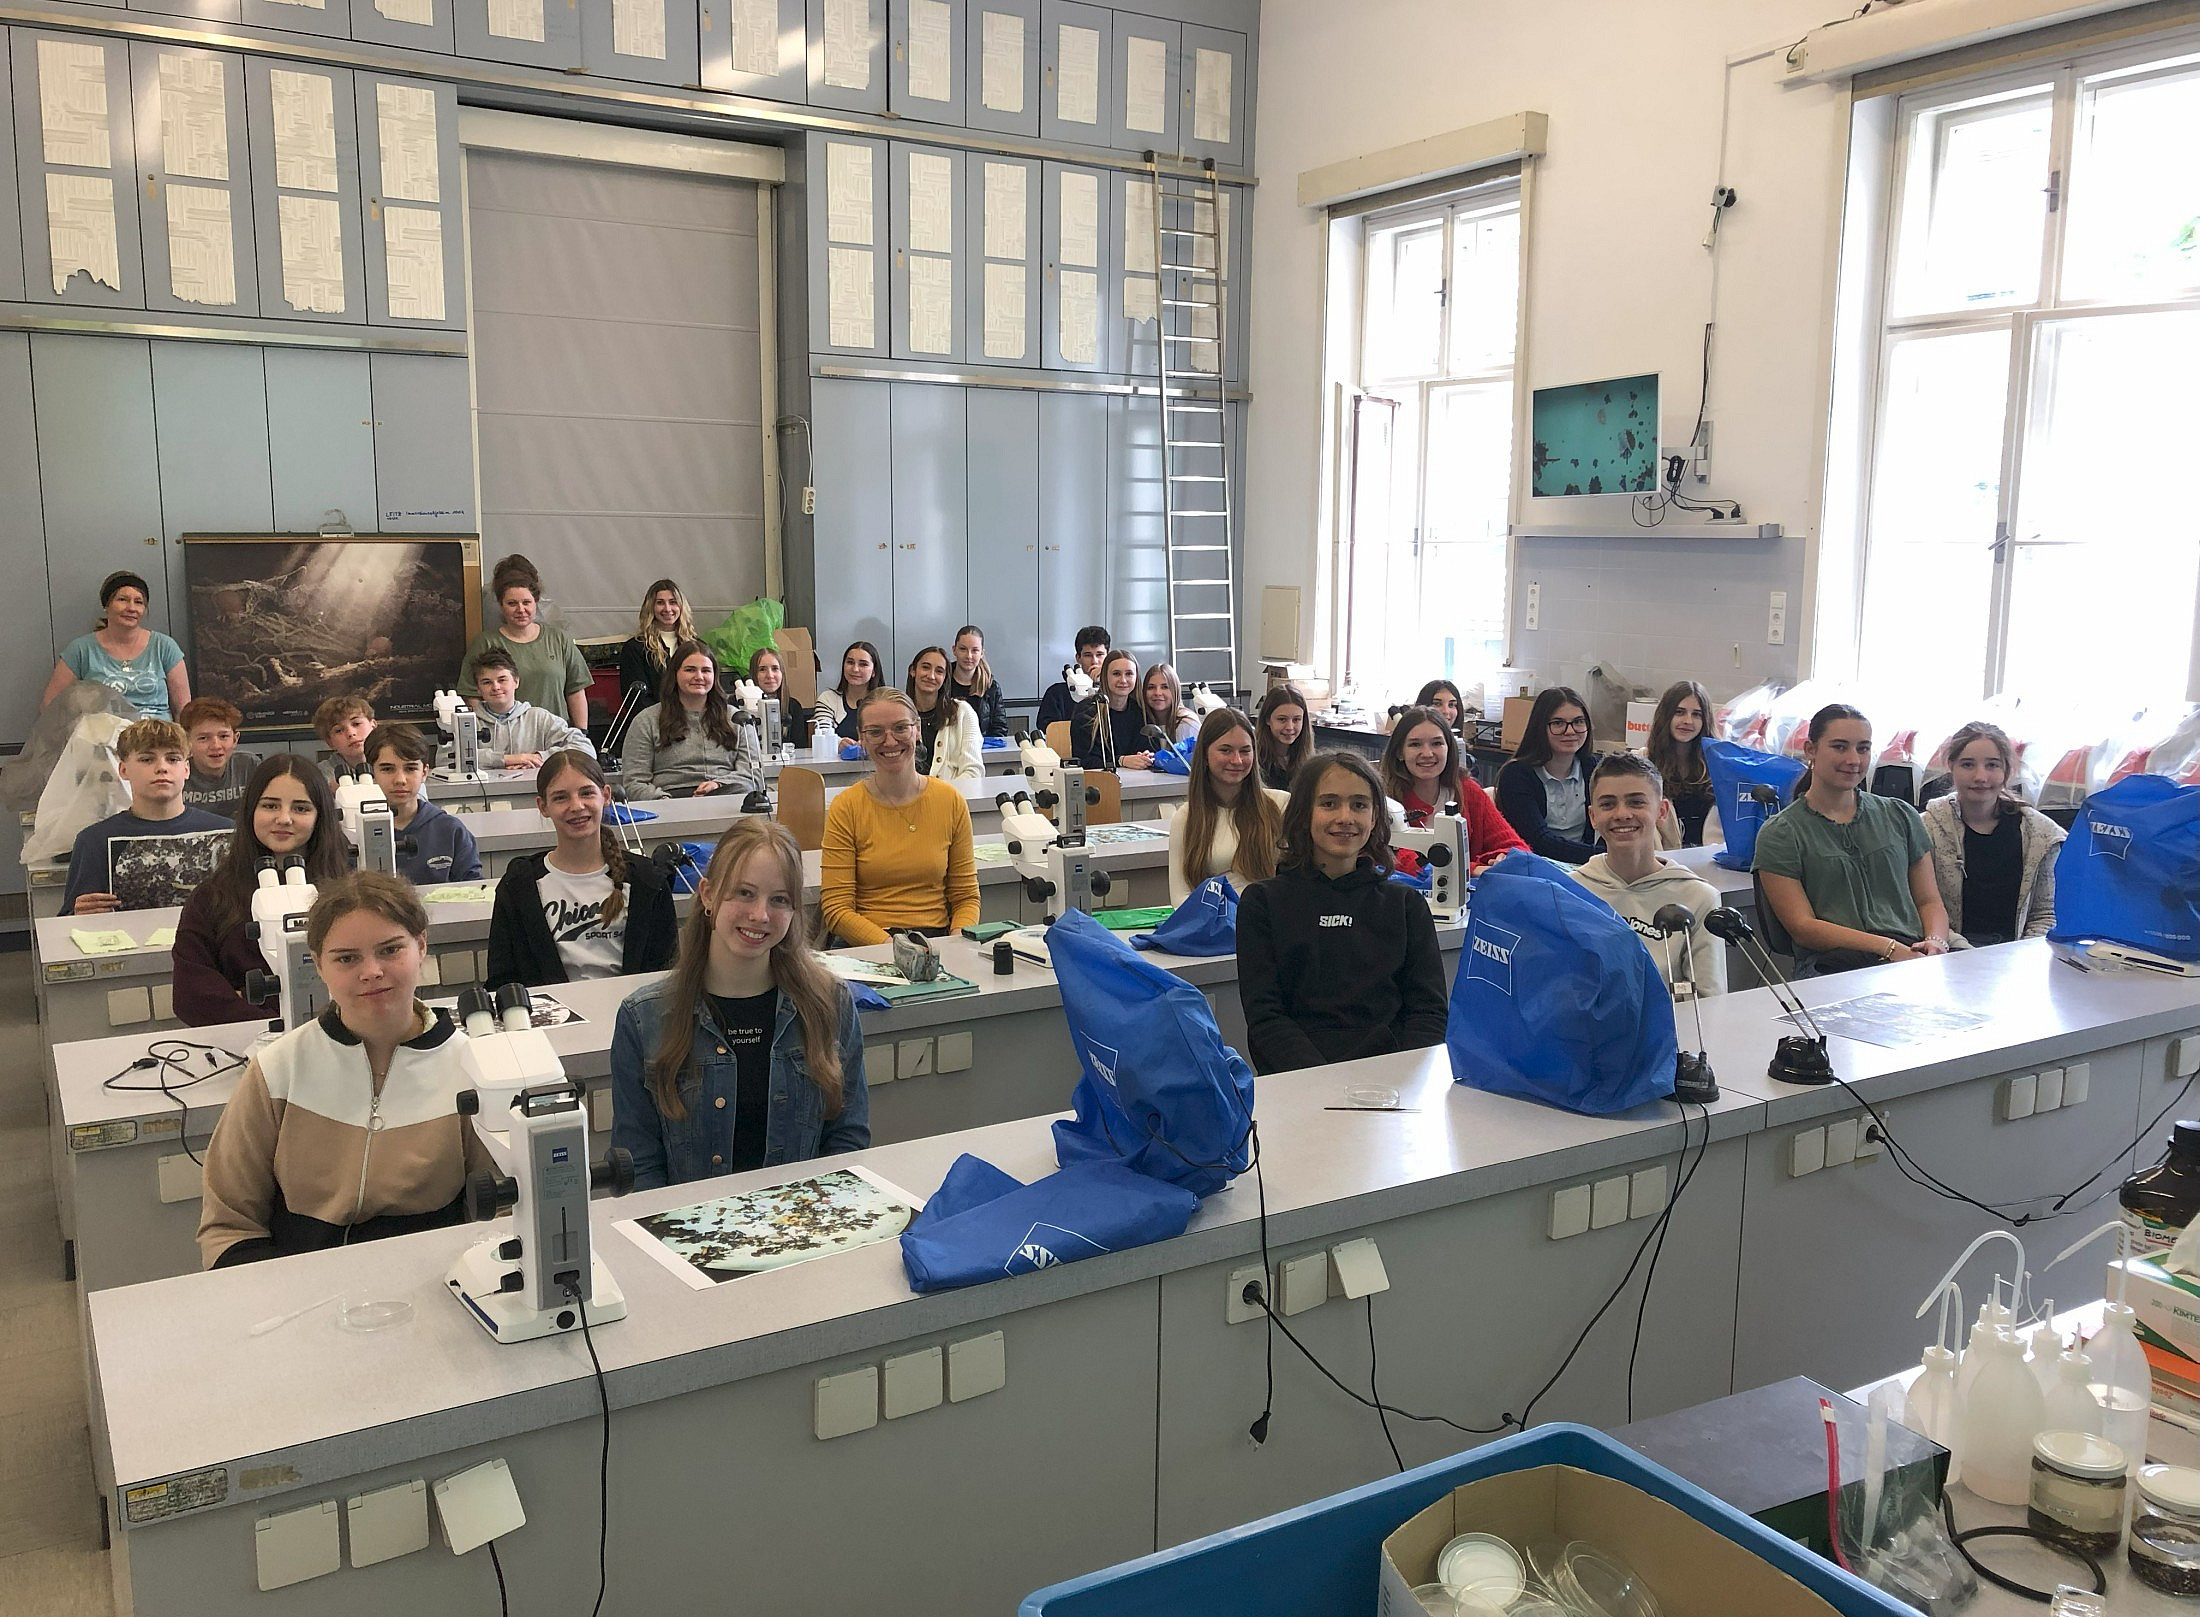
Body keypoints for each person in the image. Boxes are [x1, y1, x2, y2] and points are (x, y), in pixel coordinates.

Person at [195, 873, 493, 1268]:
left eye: (390, 950)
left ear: (421, 945)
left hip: (436, 1280)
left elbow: (501, 1217)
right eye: (346, 958)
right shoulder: (279, 1069)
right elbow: (229, 1222)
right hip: (297, 1284)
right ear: (318, 964)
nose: (371, 971)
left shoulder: (474, 1069)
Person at [611, 819, 871, 1188]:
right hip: (687, 1234)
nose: (760, 915)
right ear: (708, 895)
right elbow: (639, 1165)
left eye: (779, 899)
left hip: (801, 1226)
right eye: (744, 893)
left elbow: (848, 1140)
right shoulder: (644, 1018)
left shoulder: (831, 1004)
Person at [1235, 751, 1448, 1075]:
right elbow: (1266, 1019)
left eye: (1359, 805)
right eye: (1329, 803)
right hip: (1299, 1085)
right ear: (1303, 814)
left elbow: (1429, 1014)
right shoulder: (1263, 903)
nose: (1345, 817)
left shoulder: (1405, 905)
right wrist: (1322, 1081)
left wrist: (1396, 1077)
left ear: (1376, 817)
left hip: (1390, 1086)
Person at [1753, 703, 1952, 976]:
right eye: (1839, 747)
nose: (1854, 760)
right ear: (1811, 750)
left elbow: (1929, 901)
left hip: (1911, 956)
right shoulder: (1781, 832)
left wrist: (1935, 943)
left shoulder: (1900, 815)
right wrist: (1889, 948)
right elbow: (1803, 928)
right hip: (1833, 967)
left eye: (1863, 748)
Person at [173, 755, 351, 1025]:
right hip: (245, 1042)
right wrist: (274, 1029)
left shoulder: (348, 894)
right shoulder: (212, 898)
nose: (284, 818)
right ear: (250, 811)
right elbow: (193, 995)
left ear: (321, 816)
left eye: (301, 809)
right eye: (270, 805)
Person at [487, 750, 677, 987]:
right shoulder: (519, 885)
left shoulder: (647, 880)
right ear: (542, 806)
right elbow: (501, 980)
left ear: (605, 796)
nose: (576, 806)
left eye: (586, 793)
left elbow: (664, 974)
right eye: (560, 798)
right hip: (550, 1019)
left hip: (631, 1016)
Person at [819, 690, 979, 945]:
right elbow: (836, 909)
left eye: (900, 728)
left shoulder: (949, 801)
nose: (890, 741)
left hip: (935, 941)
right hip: (867, 944)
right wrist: (894, 949)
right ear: (861, 738)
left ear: (917, 730)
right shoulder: (846, 807)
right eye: (875, 732)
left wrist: (956, 943)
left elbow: (966, 897)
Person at [1569, 755, 1727, 998]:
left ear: (1661, 811)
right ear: (1592, 816)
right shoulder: (1571, 891)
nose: (1622, 814)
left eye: (1636, 802)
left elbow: (1709, 1001)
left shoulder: (1700, 898)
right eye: (1608, 804)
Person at [62, 719, 231, 914]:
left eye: (173, 759)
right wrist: (77, 914)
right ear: (123, 770)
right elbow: (69, 920)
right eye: (147, 759)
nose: (162, 767)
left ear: (186, 769)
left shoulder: (226, 833)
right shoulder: (94, 840)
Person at [1923, 721, 2065, 947]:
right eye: (1968, 765)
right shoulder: (1925, 828)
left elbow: (2045, 913)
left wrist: (2016, 957)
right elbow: (1920, 906)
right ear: (1951, 766)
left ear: (2007, 770)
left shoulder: (2042, 834)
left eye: (1992, 765)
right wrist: (1964, 951)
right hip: (1948, 953)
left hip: (2015, 956)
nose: (1980, 776)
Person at [1377, 705, 1526, 872]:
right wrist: (1474, 869)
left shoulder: (1467, 790)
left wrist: (1501, 859)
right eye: (1415, 744)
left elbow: (1517, 849)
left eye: (1436, 743)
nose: (1427, 753)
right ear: (1399, 752)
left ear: (1449, 748)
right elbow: (1388, 857)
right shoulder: (1382, 799)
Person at [1166, 709, 1286, 904]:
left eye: (1245, 751)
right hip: (1213, 928)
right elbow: (1180, 898)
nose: (1237, 760)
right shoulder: (1186, 817)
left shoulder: (1280, 806)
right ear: (1204, 755)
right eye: (1226, 750)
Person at [459, 553, 592, 728]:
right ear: (501, 605)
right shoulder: (486, 643)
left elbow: (575, 691)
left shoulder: (559, 639)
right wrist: (486, 733)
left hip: (556, 736)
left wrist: (581, 734)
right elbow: (472, 696)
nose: (521, 609)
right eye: (512, 603)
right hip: (507, 738)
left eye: (526, 602)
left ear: (536, 602)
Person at [618, 641, 764, 799]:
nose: (699, 677)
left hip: (726, 795)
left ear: (715, 676)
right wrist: (665, 803)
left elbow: (753, 774)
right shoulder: (646, 721)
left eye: (706, 670)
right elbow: (635, 782)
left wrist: (719, 784)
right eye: (690, 670)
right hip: (669, 801)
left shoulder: (738, 719)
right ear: (675, 674)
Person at [41, 570, 189, 721]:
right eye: (123, 600)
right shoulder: (81, 650)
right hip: (103, 738)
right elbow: (50, 704)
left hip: (158, 739)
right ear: (107, 605)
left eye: (138, 602)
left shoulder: (165, 647)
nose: (131, 608)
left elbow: (184, 709)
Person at [1496, 687, 1606, 865]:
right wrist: (1603, 857)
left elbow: (1608, 826)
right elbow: (1538, 842)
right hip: (1537, 868)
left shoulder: (1593, 768)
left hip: (1587, 867)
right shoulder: (1516, 775)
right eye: (1558, 723)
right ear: (1540, 727)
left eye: (1578, 721)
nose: (1570, 731)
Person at [365, 724, 481, 886]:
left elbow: (475, 891)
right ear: (371, 774)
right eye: (387, 769)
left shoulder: (450, 830)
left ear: (424, 773)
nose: (400, 779)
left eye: (410, 768)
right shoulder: (354, 834)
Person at [470, 647, 595, 770]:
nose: (496, 687)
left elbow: (585, 748)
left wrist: (538, 757)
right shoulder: (468, 722)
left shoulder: (539, 718)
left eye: (502, 680)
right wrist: (507, 760)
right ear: (478, 689)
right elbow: (451, 758)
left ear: (516, 682)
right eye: (487, 682)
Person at [1645, 680, 1717, 849]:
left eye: (1697, 714)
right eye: (1679, 712)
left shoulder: (1718, 767)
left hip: (1710, 863)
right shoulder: (1644, 763)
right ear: (1666, 716)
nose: (1688, 721)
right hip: (1665, 863)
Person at [905, 646, 983, 781]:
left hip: (952, 796)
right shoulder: (898, 714)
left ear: (945, 678)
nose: (931, 676)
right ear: (913, 671)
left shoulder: (963, 712)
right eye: (925, 667)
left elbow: (973, 771)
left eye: (939, 671)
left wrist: (942, 796)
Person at [1070, 650, 1156, 771]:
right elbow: (1084, 761)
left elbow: (1151, 747)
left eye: (1129, 674)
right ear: (1105, 676)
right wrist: (1121, 760)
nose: (1123, 680)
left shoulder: (1141, 710)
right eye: (1116, 674)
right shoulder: (1086, 711)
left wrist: (1147, 756)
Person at [179, 697, 257, 819]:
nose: (216, 746)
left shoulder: (249, 765)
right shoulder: (176, 771)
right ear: (187, 742)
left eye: (223, 736)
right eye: (203, 738)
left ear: (235, 739)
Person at [619, 578, 695, 699]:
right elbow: (636, 699)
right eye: (660, 602)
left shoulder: (696, 647)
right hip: (653, 717)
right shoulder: (635, 648)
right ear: (651, 607)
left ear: (681, 607)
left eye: (673, 602)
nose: (667, 609)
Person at [1036, 625, 1110, 732]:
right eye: (1088, 655)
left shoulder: (1115, 691)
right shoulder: (1056, 694)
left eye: (1100, 655)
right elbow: (1047, 728)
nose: (1094, 661)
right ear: (1078, 658)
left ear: (1108, 657)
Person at [948, 626, 1008, 738]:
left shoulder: (991, 687)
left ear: (982, 653)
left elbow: (999, 728)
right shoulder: (942, 681)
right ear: (954, 650)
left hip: (981, 752)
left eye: (975, 650)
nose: (969, 656)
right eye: (963, 649)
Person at [1256, 684, 1314, 792]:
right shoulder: (1255, 760)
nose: (1290, 727)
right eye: (1282, 719)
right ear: (1267, 719)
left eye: (1296, 720)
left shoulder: (1308, 761)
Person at [748, 646, 810, 741]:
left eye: (775, 668)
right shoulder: (739, 707)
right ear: (753, 674)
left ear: (782, 673)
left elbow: (799, 749)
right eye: (762, 669)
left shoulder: (793, 707)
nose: (770, 675)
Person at [313, 695, 377, 775]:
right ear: (330, 742)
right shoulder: (319, 776)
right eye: (339, 730)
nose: (351, 733)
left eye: (356, 724)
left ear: (373, 726)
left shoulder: (395, 760)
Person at [1140, 662, 1199, 747]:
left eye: (1165, 687)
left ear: (1175, 690)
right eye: (1151, 687)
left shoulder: (1186, 724)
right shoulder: (1144, 721)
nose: (1157, 693)